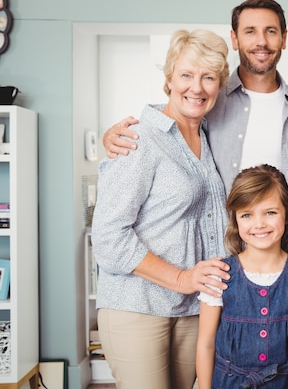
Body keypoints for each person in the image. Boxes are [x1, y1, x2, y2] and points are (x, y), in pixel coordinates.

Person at [91, 29, 233, 389]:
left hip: (191, 309)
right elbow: (108, 237)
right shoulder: (139, 138)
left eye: (208, 77)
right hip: (137, 305)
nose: (196, 87)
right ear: (169, 79)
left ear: (220, 85)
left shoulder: (209, 138)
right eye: (186, 75)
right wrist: (182, 278)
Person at [103, 0, 288, 215]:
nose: (261, 41)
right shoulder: (210, 100)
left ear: (284, 38)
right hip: (223, 246)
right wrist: (118, 135)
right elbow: (172, 121)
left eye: (271, 31)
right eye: (250, 31)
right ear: (235, 39)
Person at [196, 164, 288, 389]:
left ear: (286, 214)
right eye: (247, 215)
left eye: (270, 212)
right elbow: (206, 344)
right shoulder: (219, 274)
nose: (259, 224)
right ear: (236, 220)